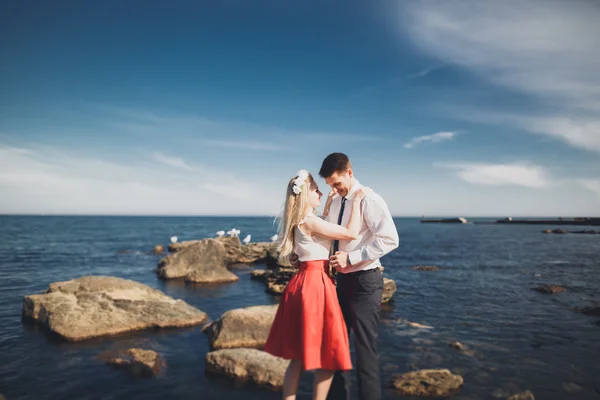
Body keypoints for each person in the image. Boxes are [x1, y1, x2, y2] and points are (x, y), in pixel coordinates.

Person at [291, 153, 399, 400]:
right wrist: (302, 255)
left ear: (349, 172)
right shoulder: (336, 201)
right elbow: (327, 237)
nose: (335, 189)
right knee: (335, 350)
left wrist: (351, 258)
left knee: (365, 354)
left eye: (338, 183)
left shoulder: (370, 199)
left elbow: (391, 239)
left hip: (364, 282)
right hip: (336, 284)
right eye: (330, 185)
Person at [263, 169, 369, 400]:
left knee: (297, 357)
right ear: (305, 196)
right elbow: (350, 233)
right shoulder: (309, 222)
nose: (321, 192)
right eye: (316, 190)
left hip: (302, 282)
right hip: (315, 285)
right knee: (328, 355)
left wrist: (329, 204)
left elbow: (313, 242)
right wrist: (358, 201)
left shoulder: (300, 221)